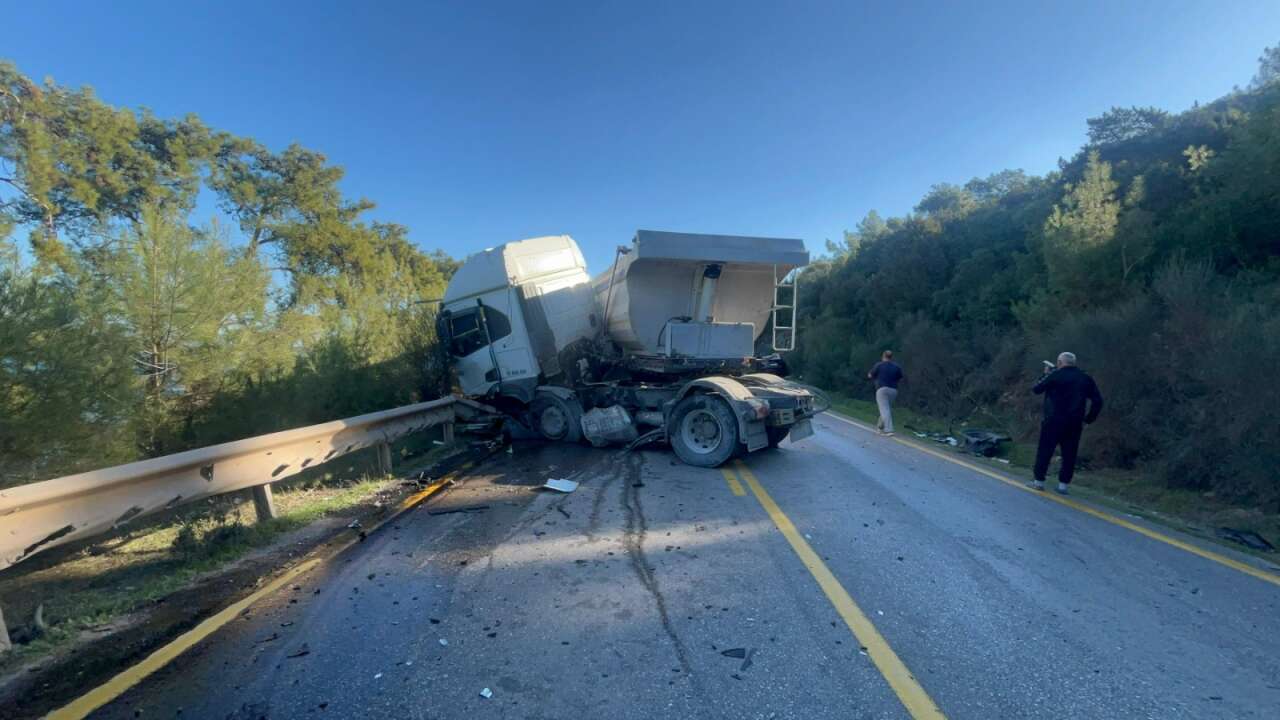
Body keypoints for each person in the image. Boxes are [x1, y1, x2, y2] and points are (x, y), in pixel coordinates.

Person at [1031, 352, 1103, 495]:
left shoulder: (1055, 375)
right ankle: (1063, 485)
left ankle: (1039, 482)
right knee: (1070, 454)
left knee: (1045, 450)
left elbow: (1036, 389)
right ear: (1074, 363)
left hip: (1053, 420)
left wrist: (1046, 374)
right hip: (1074, 422)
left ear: (1059, 362)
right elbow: (1098, 401)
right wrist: (1089, 419)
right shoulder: (1085, 378)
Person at [867, 350, 904, 436]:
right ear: (891, 357)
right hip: (893, 391)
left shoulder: (879, 365)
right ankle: (880, 427)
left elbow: (870, 375)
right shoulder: (897, 367)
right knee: (886, 409)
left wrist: (873, 377)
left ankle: (889, 430)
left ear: (883, 356)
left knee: (884, 410)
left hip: (882, 389)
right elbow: (901, 378)